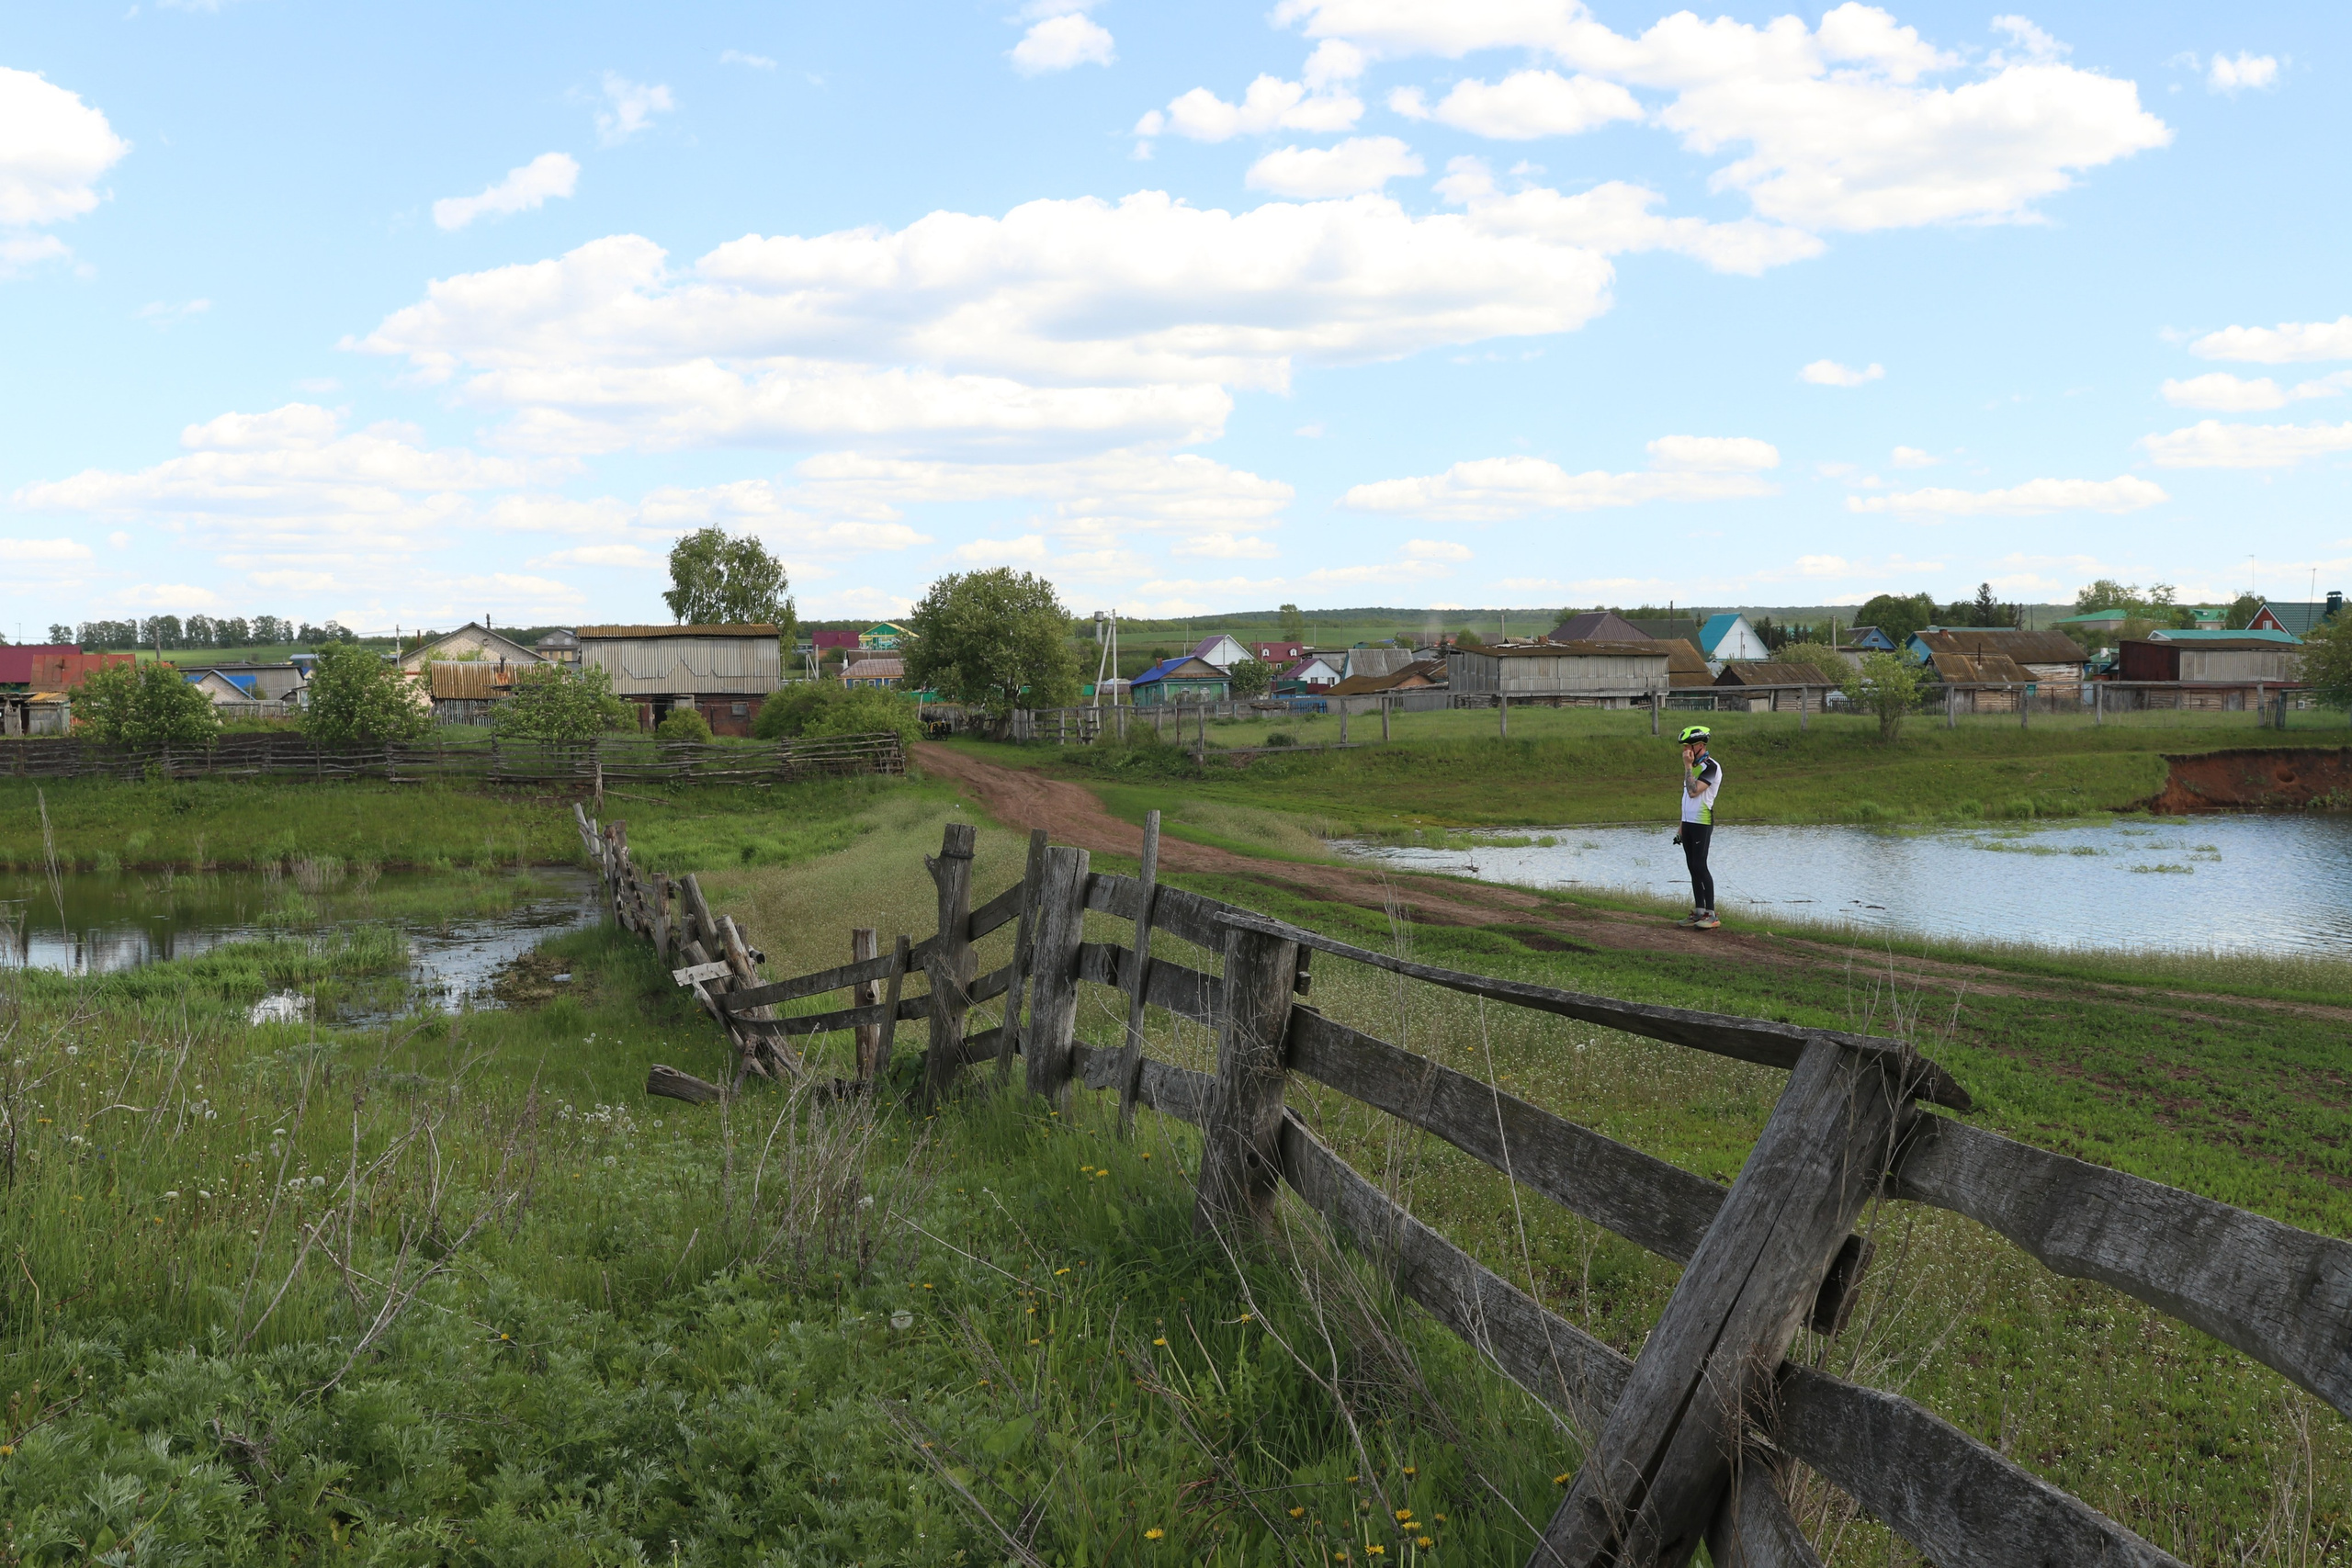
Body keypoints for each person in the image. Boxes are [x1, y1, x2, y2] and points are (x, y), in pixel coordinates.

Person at [1672, 725, 1722, 930]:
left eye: (1690, 746)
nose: (1686, 751)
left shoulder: (1711, 767)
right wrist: (1681, 826)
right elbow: (1686, 800)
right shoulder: (1693, 767)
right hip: (1689, 823)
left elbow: (1694, 792)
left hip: (1702, 823)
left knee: (1701, 866)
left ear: (1701, 745)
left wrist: (1687, 766)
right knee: (1692, 867)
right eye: (1685, 747)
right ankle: (1699, 911)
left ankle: (1711, 914)